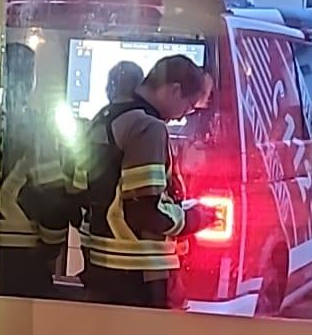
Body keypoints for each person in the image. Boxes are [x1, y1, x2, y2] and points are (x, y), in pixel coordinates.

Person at [77, 55, 213, 308]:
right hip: (139, 274)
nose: (182, 117)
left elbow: (80, 192)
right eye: (188, 106)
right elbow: (144, 210)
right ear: (174, 90)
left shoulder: (103, 117)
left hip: (100, 265)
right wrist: (193, 218)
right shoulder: (147, 126)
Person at [0, 43, 75, 299]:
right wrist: (52, 245)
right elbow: (52, 200)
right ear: (30, 81)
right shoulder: (37, 128)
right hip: (23, 254)